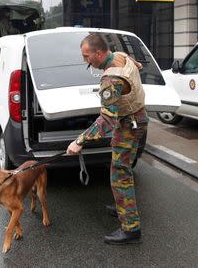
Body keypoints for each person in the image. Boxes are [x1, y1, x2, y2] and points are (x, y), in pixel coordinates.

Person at [66, 33, 148, 245]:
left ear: (100, 53)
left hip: (129, 125)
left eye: (87, 56)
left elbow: (106, 120)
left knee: (120, 174)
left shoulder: (110, 79)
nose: (85, 61)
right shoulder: (121, 55)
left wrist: (79, 141)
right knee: (122, 169)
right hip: (136, 119)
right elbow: (137, 66)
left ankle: (130, 229)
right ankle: (123, 205)